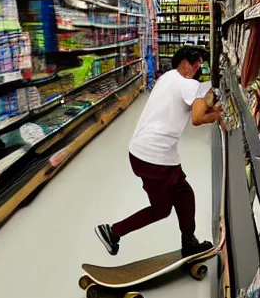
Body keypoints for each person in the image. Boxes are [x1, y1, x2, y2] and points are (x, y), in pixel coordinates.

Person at [95, 46, 222, 257]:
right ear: (182, 62)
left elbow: (193, 104)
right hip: (156, 158)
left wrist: (209, 102)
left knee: (183, 195)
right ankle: (113, 231)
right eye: (194, 62)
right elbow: (198, 118)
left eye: (200, 63)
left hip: (143, 152)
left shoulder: (167, 78)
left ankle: (188, 242)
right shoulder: (188, 84)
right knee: (163, 208)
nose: (198, 67)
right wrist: (219, 116)